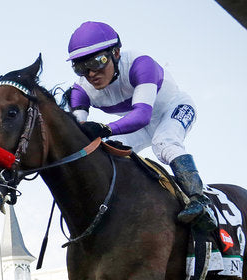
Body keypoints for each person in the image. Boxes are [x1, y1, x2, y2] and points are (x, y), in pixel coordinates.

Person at [64, 21, 217, 232]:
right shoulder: (80, 90)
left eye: (98, 62)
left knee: (164, 143)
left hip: (172, 108)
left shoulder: (140, 64)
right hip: (136, 123)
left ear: (116, 53)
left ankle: (198, 200)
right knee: (107, 150)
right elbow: (78, 135)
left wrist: (104, 128)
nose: (91, 74)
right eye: (81, 67)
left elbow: (142, 115)